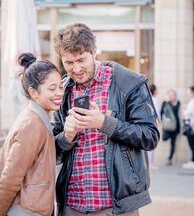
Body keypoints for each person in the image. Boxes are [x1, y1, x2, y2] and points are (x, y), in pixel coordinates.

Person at [52, 23, 159, 216]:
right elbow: (53, 151)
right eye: (68, 63)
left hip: (115, 206)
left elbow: (150, 136)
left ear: (94, 52)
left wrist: (104, 123)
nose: (75, 69)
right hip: (71, 204)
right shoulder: (63, 90)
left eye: (81, 60)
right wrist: (66, 137)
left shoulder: (129, 83)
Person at [0, 53, 63, 216]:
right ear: (33, 92)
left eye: (60, 87)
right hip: (26, 211)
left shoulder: (38, 119)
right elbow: (9, 180)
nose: (59, 93)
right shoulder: (33, 124)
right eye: (52, 88)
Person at [160, 89, 181, 166]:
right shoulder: (165, 103)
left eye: (172, 95)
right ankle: (169, 158)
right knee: (164, 138)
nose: (171, 96)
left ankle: (170, 158)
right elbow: (161, 112)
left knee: (173, 143)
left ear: (175, 96)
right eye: (169, 95)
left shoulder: (178, 104)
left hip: (175, 127)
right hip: (167, 127)